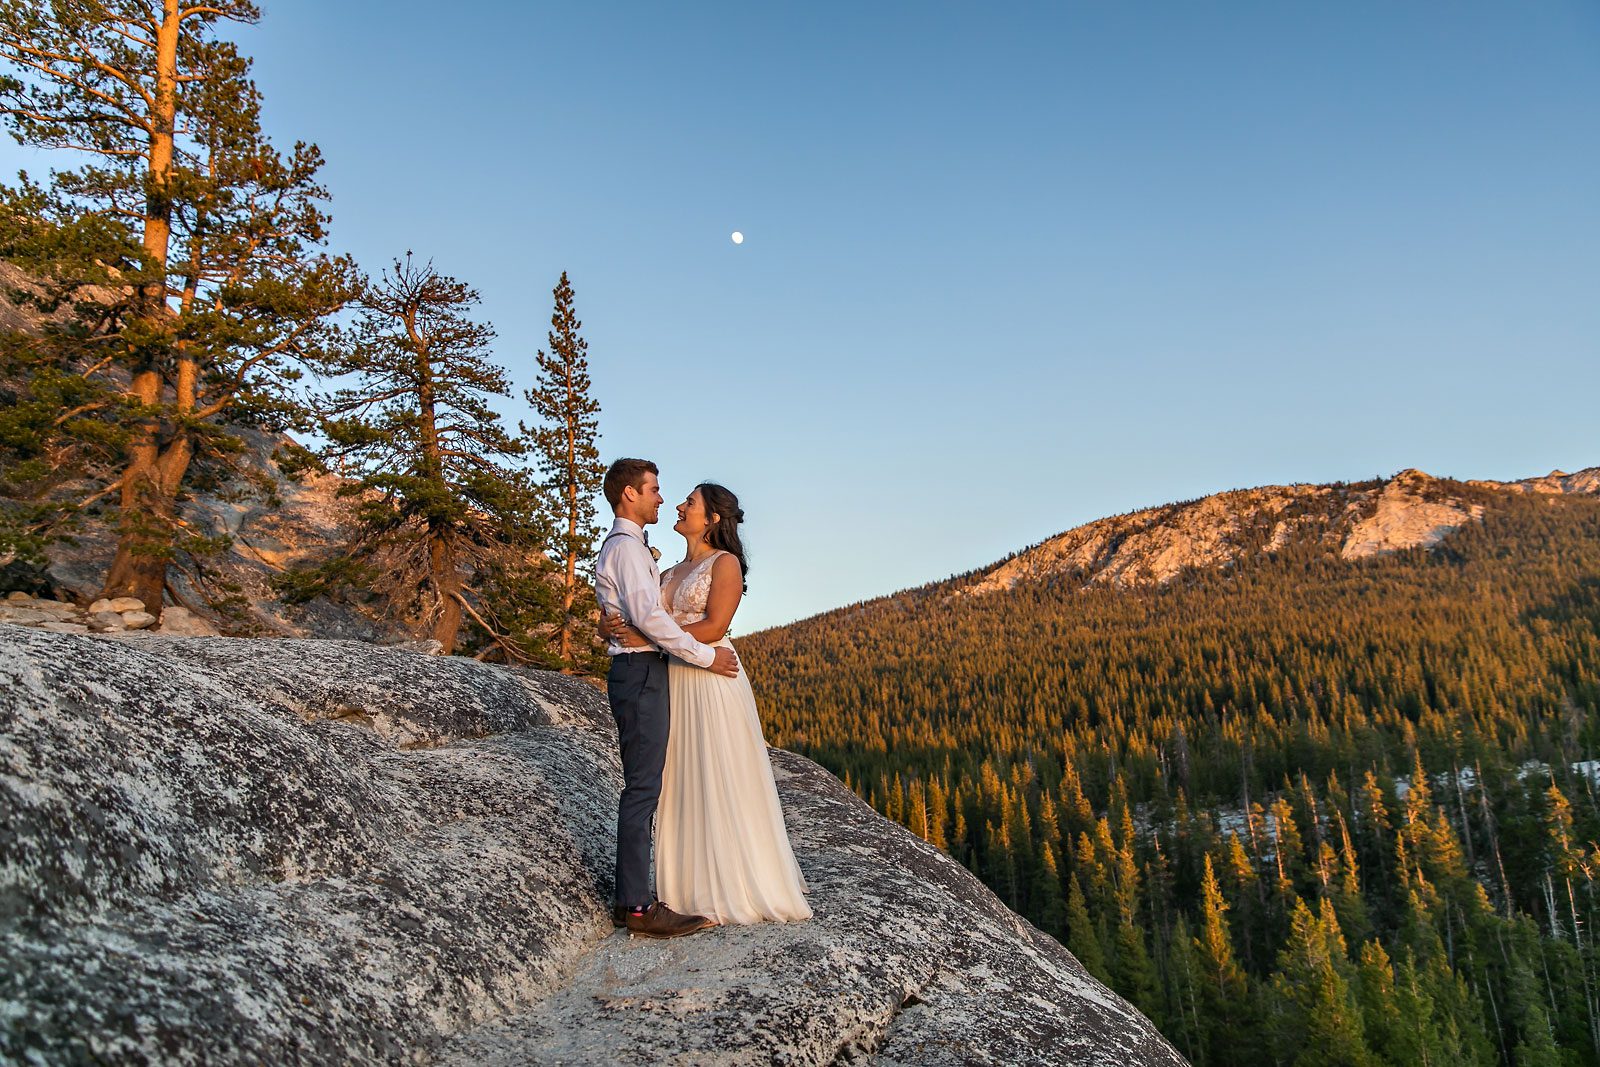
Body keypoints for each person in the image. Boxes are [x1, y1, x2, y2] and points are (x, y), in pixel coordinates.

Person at [603, 482, 812, 925]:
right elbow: (642, 612)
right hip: (672, 677)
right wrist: (615, 625)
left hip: (712, 679)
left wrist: (649, 638)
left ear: (712, 518)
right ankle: (688, 885)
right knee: (681, 780)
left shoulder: (726, 564)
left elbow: (716, 626)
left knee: (721, 775)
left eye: (690, 503)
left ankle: (736, 882)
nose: (678, 506)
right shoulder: (669, 571)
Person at [595, 458, 739, 939]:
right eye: (654, 489)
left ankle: (653, 893)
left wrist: (614, 623)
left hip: (657, 672)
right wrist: (703, 656)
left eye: (676, 496)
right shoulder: (630, 550)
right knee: (643, 789)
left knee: (658, 784)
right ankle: (636, 906)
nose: (664, 498)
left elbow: (641, 617)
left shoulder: (634, 549)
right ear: (630, 495)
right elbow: (652, 622)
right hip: (644, 673)